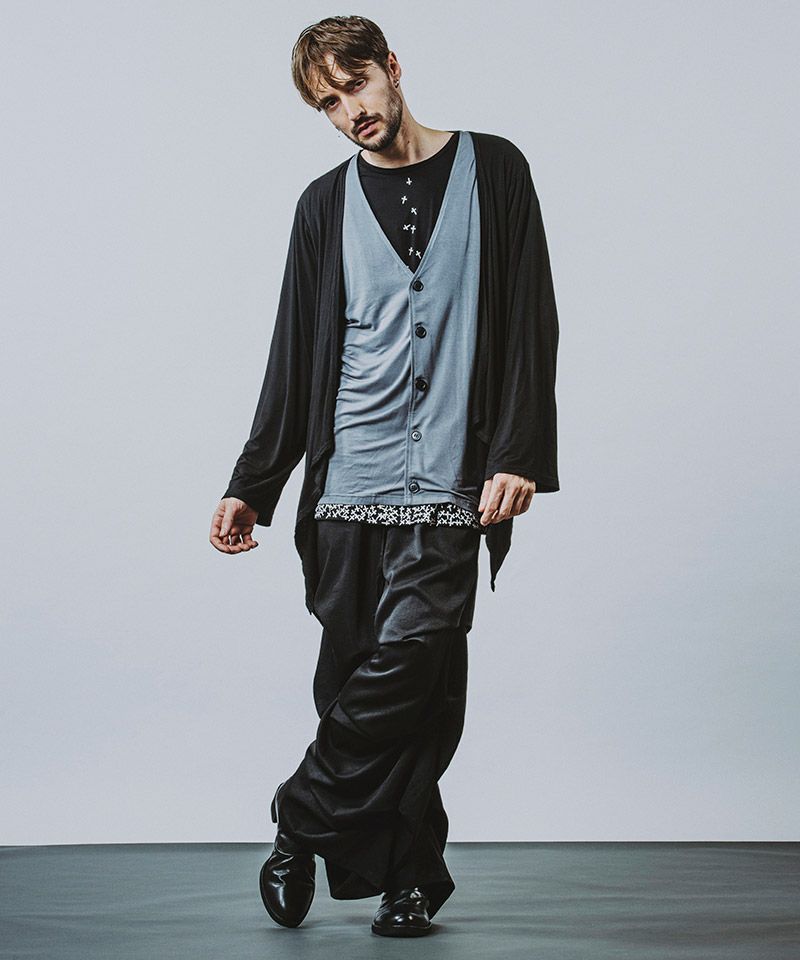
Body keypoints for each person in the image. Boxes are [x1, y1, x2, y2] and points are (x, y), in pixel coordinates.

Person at [209, 15, 560, 938]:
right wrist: (253, 483)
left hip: (450, 483)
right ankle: (410, 880)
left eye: (355, 86)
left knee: (410, 665)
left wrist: (518, 453)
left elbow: (531, 318)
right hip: (347, 485)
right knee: (382, 688)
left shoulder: (496, 170)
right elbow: (294, 355)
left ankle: (299, 818)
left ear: (392, 68)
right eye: (327, 104)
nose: (348, 112)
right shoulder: (322, 206)